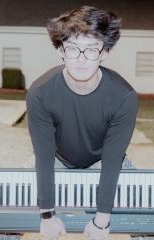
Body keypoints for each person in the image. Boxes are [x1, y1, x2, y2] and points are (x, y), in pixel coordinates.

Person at [26, 5, 138, 240]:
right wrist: (46, 215)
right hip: (57, 160)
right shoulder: (40, 92)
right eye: (73, 49)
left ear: (104, 52)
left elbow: (112, 159)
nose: (81, 59)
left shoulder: (124, 97)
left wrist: (101, 220)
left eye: (91, 50)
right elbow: (44, 156)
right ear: (60, 50)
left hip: (102, 162)